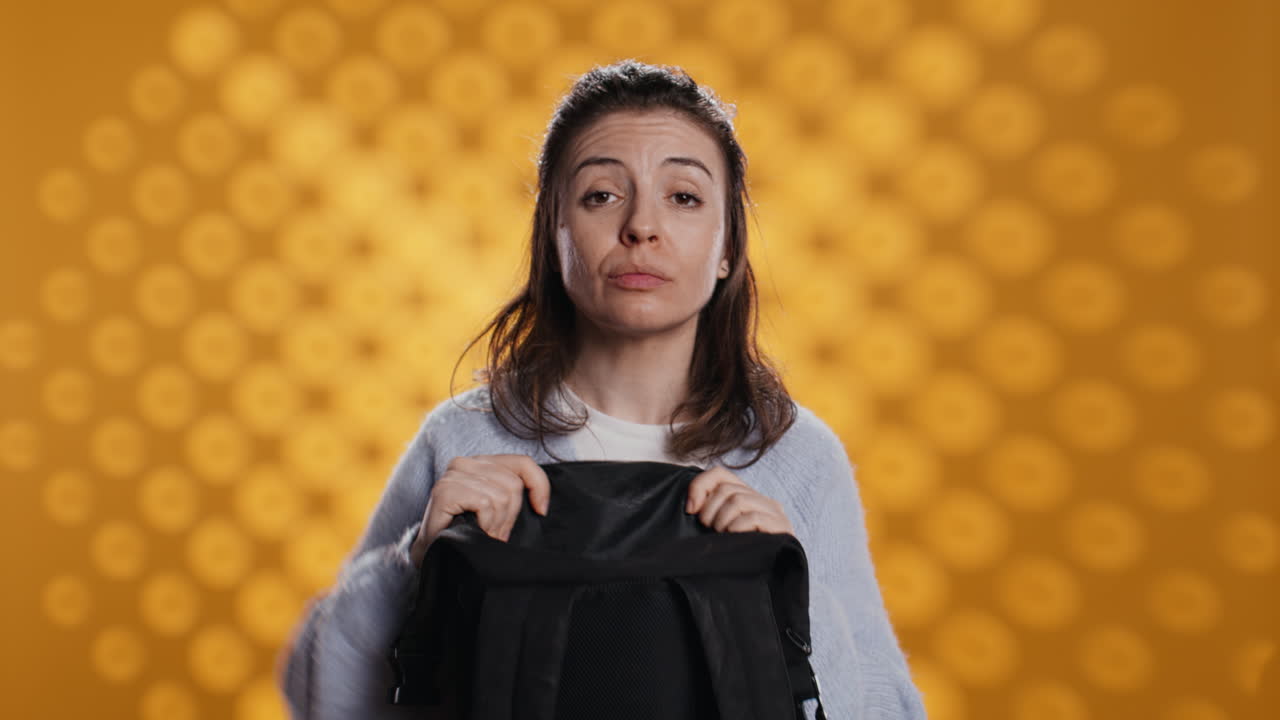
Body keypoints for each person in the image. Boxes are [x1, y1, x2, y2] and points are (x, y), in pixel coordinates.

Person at [278, 59, 927, 720]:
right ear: (554, 238)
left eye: (683, 197)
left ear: (727, 245)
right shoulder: (464, 439)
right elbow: (317, 693)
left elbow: (889, 708)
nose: (642, 227)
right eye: (601, 195)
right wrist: (413, 562)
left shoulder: (795, 458)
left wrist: (796, 586)